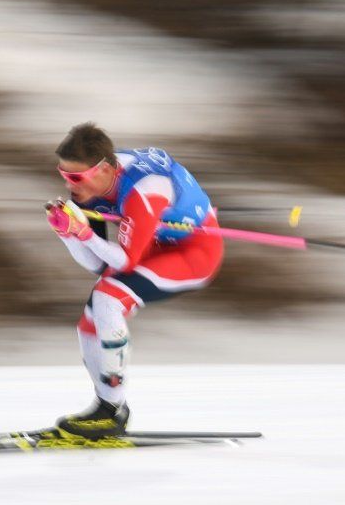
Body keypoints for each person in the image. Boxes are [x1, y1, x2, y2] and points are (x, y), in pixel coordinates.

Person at [45, 122, 224, 439]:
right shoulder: (91, 188)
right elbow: (98, 263)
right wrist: (69, 235)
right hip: (152, 245)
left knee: (108, 300)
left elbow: (125, 260)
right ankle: (107, 406)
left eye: (76, 178)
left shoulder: (146, 190)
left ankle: (111, 413)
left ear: (104, 169)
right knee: (90, 321)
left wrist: (83, 232)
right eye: (64, 176)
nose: (70, 186)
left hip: (193, 251)